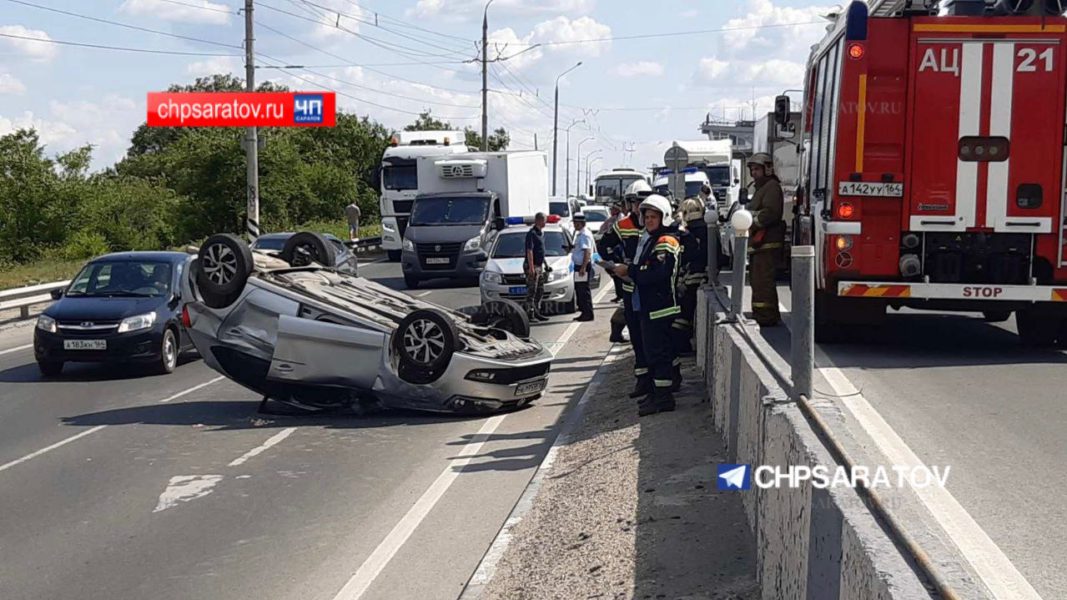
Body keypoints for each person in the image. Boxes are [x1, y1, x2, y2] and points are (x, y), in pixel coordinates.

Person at [614, 194, 680, 416]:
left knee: (659, 355)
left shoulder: (666, 241)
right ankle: (654, 394)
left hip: (660, 307)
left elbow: (657, 274)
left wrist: (630, 271)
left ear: (664, 217)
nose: (649, 220)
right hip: (649, 306)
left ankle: (663, 398)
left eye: (654, 216)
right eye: (647, 216)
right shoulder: (652, 239)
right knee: (651, 354)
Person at [746, 153, 785, 327]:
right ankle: (762, 313)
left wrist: (751, 222)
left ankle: (766, 316)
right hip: (759, 243)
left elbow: (771, 212)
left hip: (767, 242)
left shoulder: (772, 187)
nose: (754, 173)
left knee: (763, 280)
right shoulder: (761, 188)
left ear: (767, 169)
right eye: (752, 169)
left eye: (757, 169)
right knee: (757, 280)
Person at [672, 189, 708, 356]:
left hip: (689, 279)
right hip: (704, 278)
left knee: (683, 315)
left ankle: (681, 345)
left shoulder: (685, 233)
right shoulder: (708, 229)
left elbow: (683, 257)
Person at [524, 212, 550, 323]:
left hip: (539, 266)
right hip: (532, 266)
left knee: (540, 290)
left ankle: (537, 311)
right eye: (544, 220)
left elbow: (540, 252)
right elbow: (529, 251)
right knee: (532, 291)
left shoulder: (541, 234)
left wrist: (546, 264)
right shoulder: (532, 233)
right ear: (539, 220)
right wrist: (531, 268)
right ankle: (530, 314)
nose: (546, 223)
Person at [571, 213, 595, 322]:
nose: (574, 224)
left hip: (582, 266)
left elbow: (587, 251)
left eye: (576, 223)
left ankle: (588, 314)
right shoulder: (579, 234)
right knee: (579, 290)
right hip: (579, 265)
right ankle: (584, 312)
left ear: (581, 223)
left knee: (584, 291)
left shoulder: (585, 234)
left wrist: (583, 267)